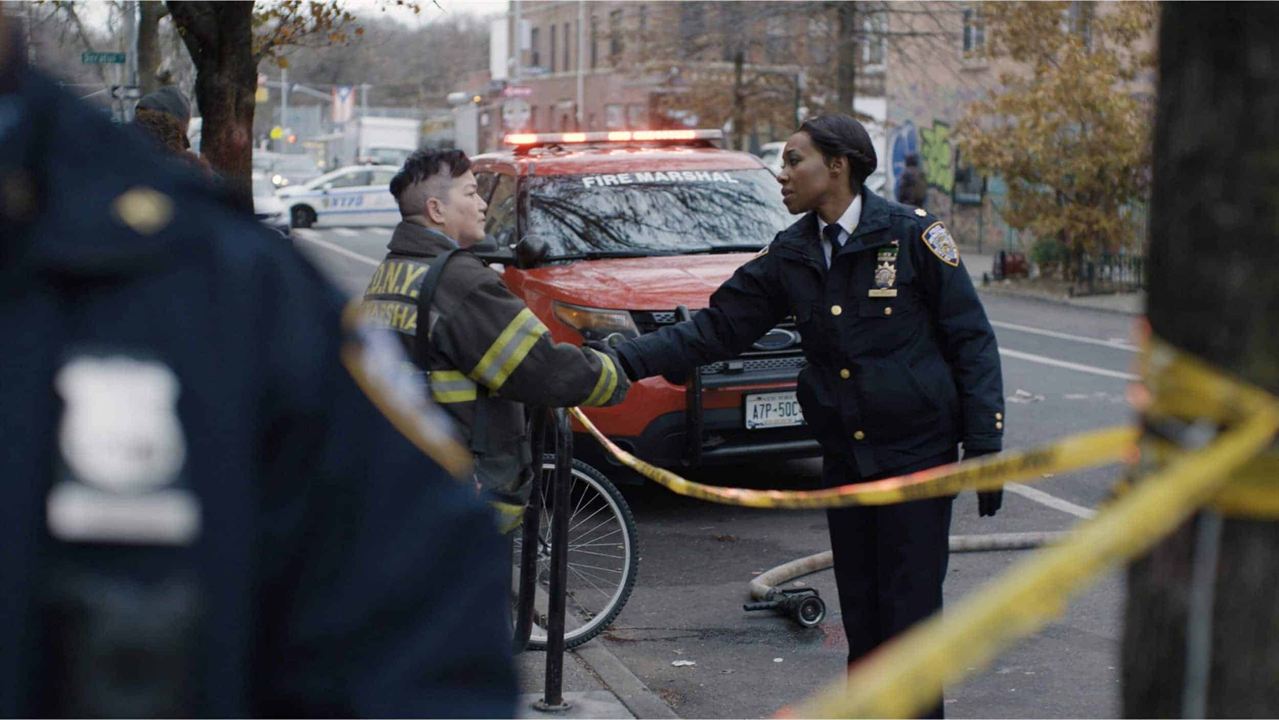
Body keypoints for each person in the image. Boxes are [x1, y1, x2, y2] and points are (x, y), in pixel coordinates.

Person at [0, 22, 515, 718]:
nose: (481, 205)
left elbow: (419, 634)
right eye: (471, 193)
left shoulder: (224, 288)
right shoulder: (221, 276)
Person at [609, 114, 1004, 717]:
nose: (781, 172)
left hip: (915, 457)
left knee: (912, 618)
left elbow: (970, 338)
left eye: (795, 160)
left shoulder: (912, 236)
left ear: (838, 166)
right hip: (847, 457)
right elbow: (717, 329)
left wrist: (983, 444)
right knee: (865, 614)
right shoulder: (792, 251)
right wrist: (618, 362)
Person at [363, 149, 629, 530]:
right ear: (437, 210)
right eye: (471, 193)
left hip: (408, 477)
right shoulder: (461, 282)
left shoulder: (389, 272)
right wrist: (616, 370)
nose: (483, 204)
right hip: (464, 491)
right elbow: (541, 369)